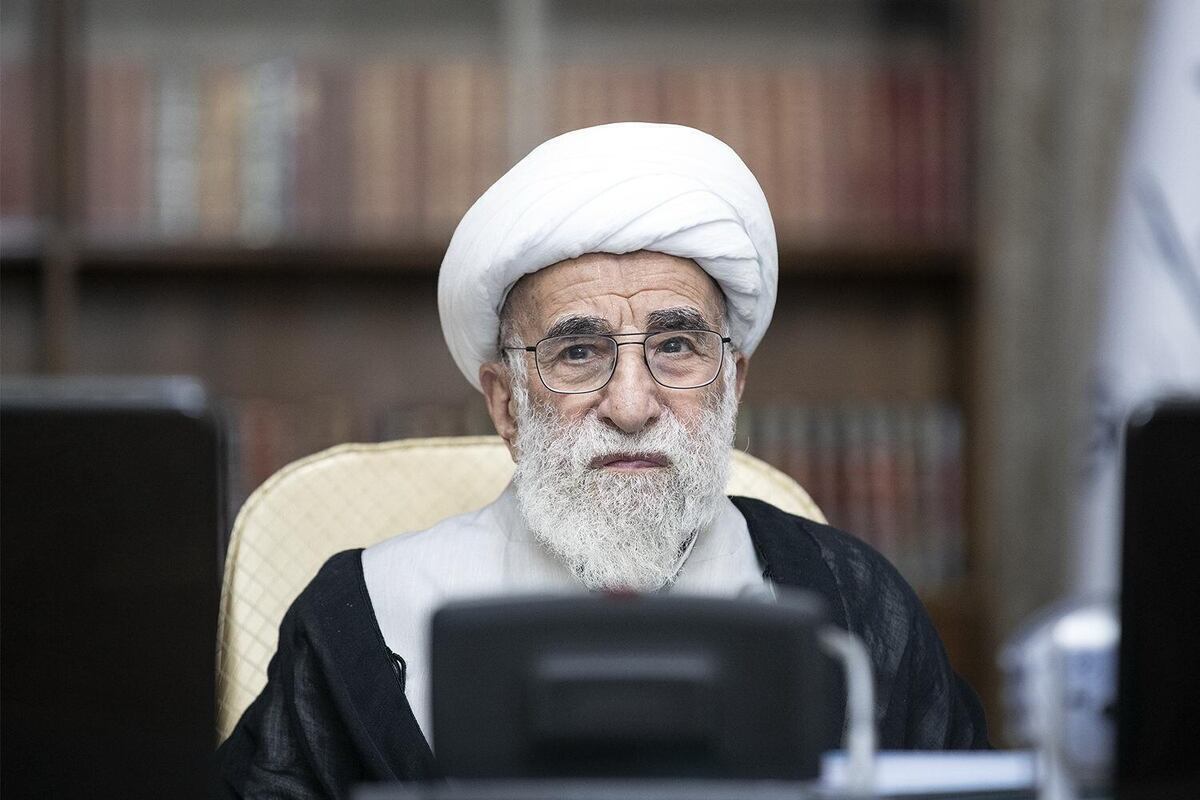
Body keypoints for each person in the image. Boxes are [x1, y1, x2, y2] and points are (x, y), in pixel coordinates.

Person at [215, 123, 988, 797]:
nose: (631, 404)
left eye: (676, 345)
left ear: (733, 382)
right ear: (506, 404)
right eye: (578, 352)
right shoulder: (361, 620)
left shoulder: (857, 609)